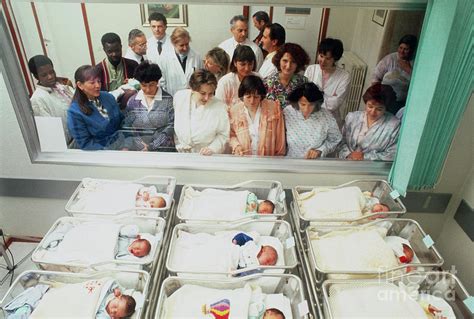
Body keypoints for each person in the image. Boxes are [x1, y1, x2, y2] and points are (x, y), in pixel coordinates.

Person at [338, 83, 401, 161]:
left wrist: (365, 157)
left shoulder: (393, 125)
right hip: (346, 163)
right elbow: (341, 140)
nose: (372, 112)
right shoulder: (352, 118)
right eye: (370, 106)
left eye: (379, 109)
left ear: (386, 108)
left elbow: (392, 153)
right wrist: (348, 154)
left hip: (372, 169)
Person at [67, 65, 124, 150]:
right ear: (80, 85)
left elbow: (123, 121)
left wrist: (127, 144)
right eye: (92, 83)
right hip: (100, 153)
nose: (97, 85)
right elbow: (85, 143)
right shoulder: (75, 112)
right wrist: (112, 151)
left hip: (122, 144)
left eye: (99, 81)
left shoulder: (108, 97)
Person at [174, 69, 229, 155]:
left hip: (206, 156)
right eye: (203, 93)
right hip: (182, 154)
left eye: (210, 93)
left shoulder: (220, 107)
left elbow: (223, 135)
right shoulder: (180, 98)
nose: (207, 98)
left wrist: (212, 149)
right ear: (192, 89)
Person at [122, 62, 175, 152]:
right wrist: (139, 144)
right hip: (139, 149)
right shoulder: (133, 101)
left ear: (157, 82)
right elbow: (128, 126)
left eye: (151, 84)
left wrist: (152, 146)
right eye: (144, 85)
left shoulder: (168, 100)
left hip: (163, 150)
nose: (148, 89)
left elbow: (171, 127)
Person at [228, 75, 286, 156]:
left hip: (268, 161)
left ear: (261, 96)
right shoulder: (234, 111)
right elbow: (231, 134)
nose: (252, 101)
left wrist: (279, 158)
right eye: (248, 97)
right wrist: (236, 145)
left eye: (256, 97)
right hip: (243, 160)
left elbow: (280, 140)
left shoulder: (274, 108)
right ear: (242, 96)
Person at [284, 83, 341, 159]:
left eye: (311, 105)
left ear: (317, 103)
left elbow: (336, 139)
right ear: (296, 102)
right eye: (303, 104)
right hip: (291, 162)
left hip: (315, 165)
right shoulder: (288, 112)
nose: (306, 109)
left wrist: (320, 150)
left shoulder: (326, 116)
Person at [27, 55, 74, 144]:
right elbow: (51, 134)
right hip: (66, 146)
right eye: (44, 75)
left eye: (52, 72)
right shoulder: (37, 100)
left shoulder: (62, 87)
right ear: (36, 77)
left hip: (79, 138)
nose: (50, 77)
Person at [304, 38, 350, 127]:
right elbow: (304, 96)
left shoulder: (344, 76)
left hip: (330, 121)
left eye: (328, 58)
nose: (323, 61)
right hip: (310, 118)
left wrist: (313, 99)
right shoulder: (311, 70)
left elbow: (334, 104)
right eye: (321, 56)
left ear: (335, 59)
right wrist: (328, 98)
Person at [372, 34, 418, 114]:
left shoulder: (416, 63)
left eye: (406, 49)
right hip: (383, 99)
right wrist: (376, 95)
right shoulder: (390, 58)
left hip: (401, 103)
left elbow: (418, 83)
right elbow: (376, 76)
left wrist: (407, 69)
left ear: (412, 50)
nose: (402, 51)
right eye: (400, 48)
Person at [95, 33, 138, 108]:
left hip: (131, 108)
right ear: (104, 50)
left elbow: (142, 87)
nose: (114, 54)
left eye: (117, 50)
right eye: (110, 52)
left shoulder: (133, 65)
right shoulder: (97, 70)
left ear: (121, 47)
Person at [158, 27, 203, 96]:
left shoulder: (196, 56)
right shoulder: (164, 58)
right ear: (174, 44)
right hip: (172, 97)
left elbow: (201, 78)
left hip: (192, 97)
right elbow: (161, 82)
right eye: (181, 45)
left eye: (187, 44)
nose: (185, 48)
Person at [264, 43, 309, 108]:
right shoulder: (267, 82)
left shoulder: (304, 83)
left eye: (293, 62)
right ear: (279, 60)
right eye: (285, 61)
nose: (288, 66)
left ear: (298, 63)